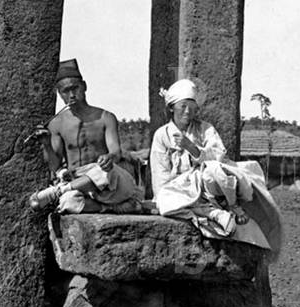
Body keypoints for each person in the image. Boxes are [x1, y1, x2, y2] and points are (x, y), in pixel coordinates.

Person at [150, 78, 283, 259]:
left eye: (192, 107)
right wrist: (163, 196)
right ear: (172, 107)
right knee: (165, 202)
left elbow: (219, 156)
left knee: (214, 171)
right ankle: (210, 213)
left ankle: (230, 206)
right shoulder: (162, 135)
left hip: (206, 186)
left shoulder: (205, 129)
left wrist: (193, 148)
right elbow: (160, 172)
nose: (187, 111)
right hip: (179, 189)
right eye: (183, 106)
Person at [26, 58, 143, 214]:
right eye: (65, 91)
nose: (72, 95)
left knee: (102, 170)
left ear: (84, 86)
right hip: (79, 184)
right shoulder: (57, 124)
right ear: (59, 94)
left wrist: (109, 158)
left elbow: (116, 153)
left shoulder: (105, 117)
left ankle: (58, 191)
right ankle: (113, 208)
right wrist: (46, 144)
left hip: (109, 181)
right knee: (68, 203)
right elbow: (55, 167)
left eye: (75, 88)